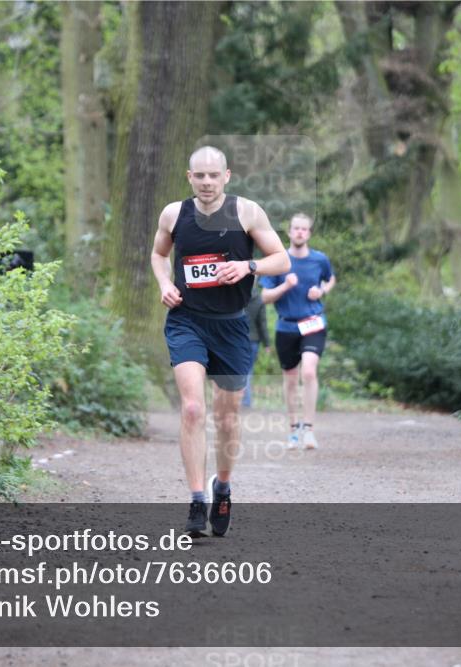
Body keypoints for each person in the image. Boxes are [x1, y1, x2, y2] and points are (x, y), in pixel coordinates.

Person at [150, 146, 289, 536]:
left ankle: (222, 487)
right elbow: (159, 255)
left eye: (214, 175)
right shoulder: (174, 214)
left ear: (227, 176)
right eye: (200, 175)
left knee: (227, 417)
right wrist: (164, 283)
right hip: (187, 322)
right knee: (193, 408)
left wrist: (248, 266)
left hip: (231, 326)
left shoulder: (247, 212)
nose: (207, 182)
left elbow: (282, 259)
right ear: (189, 177)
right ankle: (197, 501)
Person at [260, 213, 336, 450]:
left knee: (310, 372)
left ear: (309, 233)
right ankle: (293, 429)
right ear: (290, 232)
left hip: (313, 323)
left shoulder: (319, 259)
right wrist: (286, 285)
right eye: (296, 228)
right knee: (291, 379)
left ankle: (309, 430)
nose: (300, 232)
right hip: (286, 326)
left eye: (305, 229)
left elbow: (330, 279)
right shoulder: (278, 261)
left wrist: (321, 291)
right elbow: (265, 297)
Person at [242, 282, 270, 408]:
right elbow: (262, 325)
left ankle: (239, 400)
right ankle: (246, 402)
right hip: (253, 340)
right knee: (248, 371)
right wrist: (267, 344)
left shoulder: (238, 298)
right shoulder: (259, 300)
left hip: (238, 339)